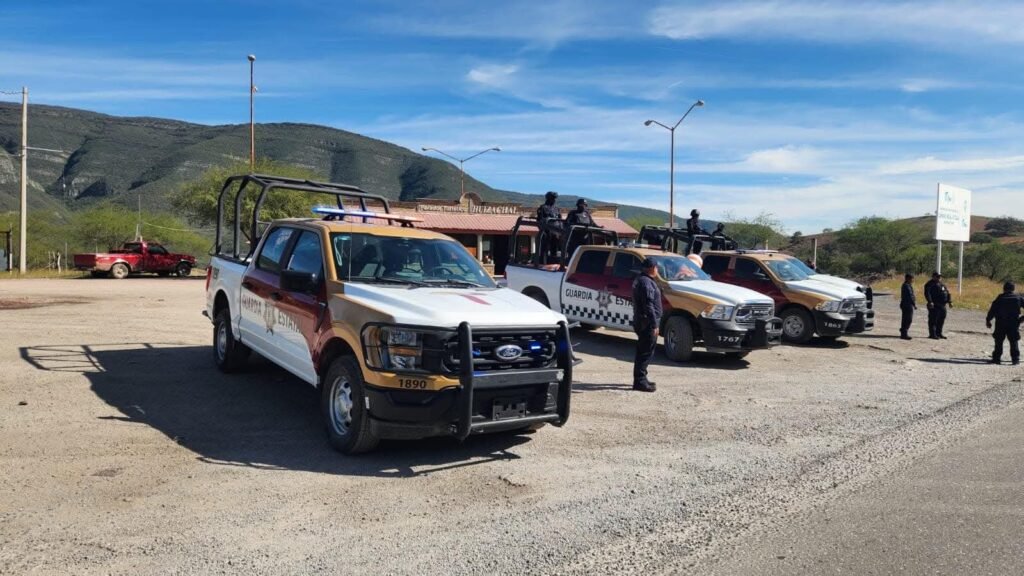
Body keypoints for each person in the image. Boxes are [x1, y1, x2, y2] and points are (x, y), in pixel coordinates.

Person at [631, 258, 663, 393]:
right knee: (645, 352)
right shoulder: (646, 283)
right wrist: (654, 324)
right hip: (646, 322)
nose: (657, 270)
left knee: (645, 351)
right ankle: (640, 381)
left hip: (643, 321)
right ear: (652, 268)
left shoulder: (642, 280)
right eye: (656, 267)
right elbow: (648, 305)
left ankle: (642, 378)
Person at [985, 281, 1023, 365]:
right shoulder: (1018, 297)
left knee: (998, 341)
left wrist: (988, 320)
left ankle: (996, 359)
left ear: (1004, 289)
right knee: (1014, 341)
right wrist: (1021, 319)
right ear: (1013, 289)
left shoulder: (1000, 298)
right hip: (1013, 323)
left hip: (1000, 323)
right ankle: (1015, 359)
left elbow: (992, 310)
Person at [924, 271, 952, 339]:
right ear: (933, 277)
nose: (939, 278)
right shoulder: (929, 284)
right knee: (933, 320)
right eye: (937, 276)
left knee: (941, 320)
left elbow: (947, 293)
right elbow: (927, 293)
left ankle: (939, 333)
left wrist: (950, 301)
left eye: (940, 276)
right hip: (935, 305)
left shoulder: (942, 284)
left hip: (942, 305)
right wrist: (930, 301)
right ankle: (932, 334)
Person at [536, 191, 562, 263]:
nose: (554, 200)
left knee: (554, 251)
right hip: (546, 232)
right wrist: (543, 232)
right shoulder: (543, 208)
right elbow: (539, 221)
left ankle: (553, 263)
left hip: (556, 233)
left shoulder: (557, 209)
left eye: (555, 198)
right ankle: (542, 264)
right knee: (544, 250)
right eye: (552, 198)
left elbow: (560, 221)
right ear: (548, 199)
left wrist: (560, 233)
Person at [899, 273, 917, 340]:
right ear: (907, 278)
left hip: (907, 304)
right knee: (907, 319)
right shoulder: (906, 286)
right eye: (911, 278)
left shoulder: (909, 285)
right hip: (907, 304)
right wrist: (914, 304)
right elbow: (910, 296)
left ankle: (904, 332)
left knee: (907, 319)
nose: (912, 280)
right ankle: (904, 333)